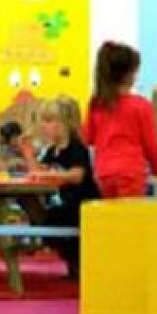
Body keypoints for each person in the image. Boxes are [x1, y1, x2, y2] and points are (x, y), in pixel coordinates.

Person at [84, 42, 157, 199]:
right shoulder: (141, 105)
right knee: (128, 213)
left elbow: (88, 137)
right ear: (128, 75)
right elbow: (151, 145)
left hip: (103, 171)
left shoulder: (97, 104)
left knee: (110, 212)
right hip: (131, 171)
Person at [36, 96, 100, 281]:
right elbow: (39, 173)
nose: (43, 126)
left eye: (49, 121)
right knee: (44, 218)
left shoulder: (76, 148)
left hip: (80, 204)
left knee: (53, 219)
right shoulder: (51, 151)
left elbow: (77, 175)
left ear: (65, 124)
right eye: (43, 121)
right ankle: (72, 262)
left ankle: (77, 263)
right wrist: (28, 154)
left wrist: (52, 176)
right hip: (64, 204)